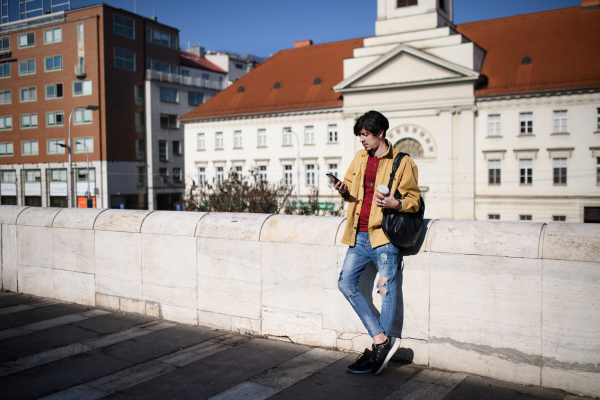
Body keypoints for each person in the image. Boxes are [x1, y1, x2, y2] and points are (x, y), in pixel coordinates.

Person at [333, 110, 420, 375]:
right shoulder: (360, 158)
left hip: (383, 238)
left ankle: (378, 347)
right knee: (345, 282)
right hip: (357, 236)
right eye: (360, 135)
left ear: (380, 133)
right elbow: (350, 190)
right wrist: (343, 190)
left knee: (387, 291)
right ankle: (381, 340)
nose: (361, 140)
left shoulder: (402, 162)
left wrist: (397, 203)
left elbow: (414, 200)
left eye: (365, 134)